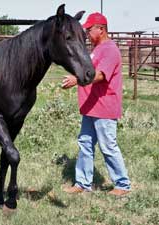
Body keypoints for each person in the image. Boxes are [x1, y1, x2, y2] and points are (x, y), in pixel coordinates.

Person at [62, 12, 131, 196]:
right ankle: (83, 183)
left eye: (88, 29)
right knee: (85, 144)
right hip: (91, 107)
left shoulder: (109, 49)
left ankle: (122, 185)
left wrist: (76, 80)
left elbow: (100, 75)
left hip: (104, 107)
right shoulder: (96, 49)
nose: (86, 33)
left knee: (108, 146)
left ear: (101, 29)